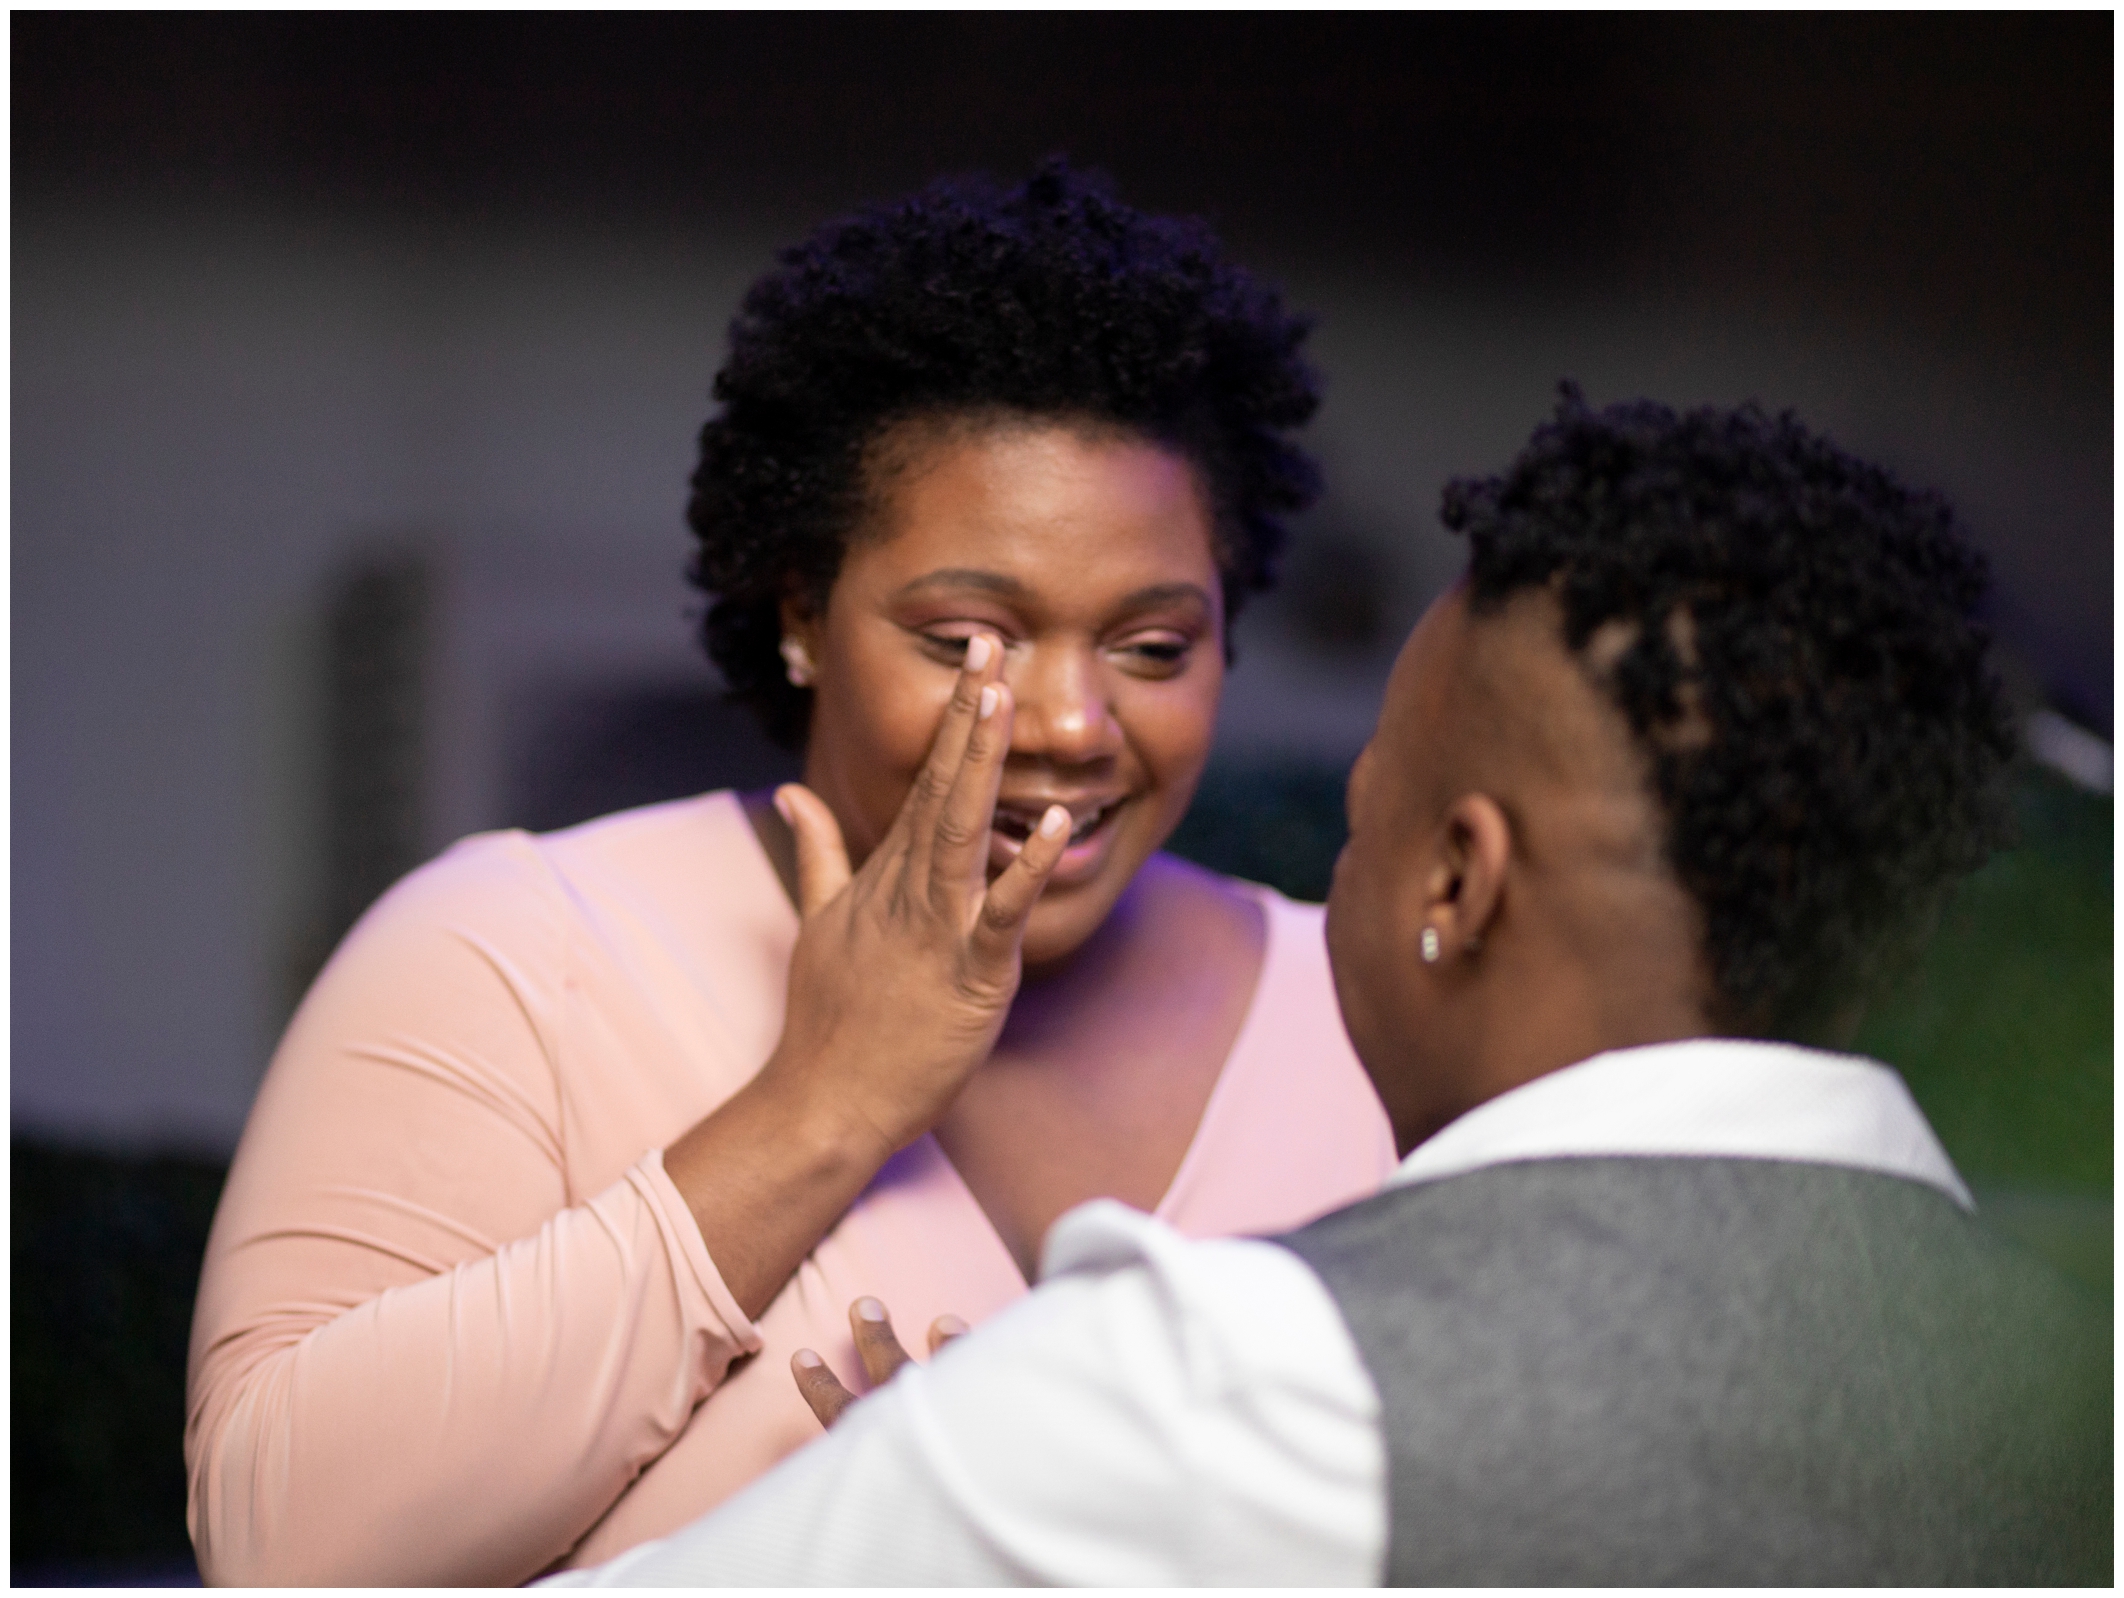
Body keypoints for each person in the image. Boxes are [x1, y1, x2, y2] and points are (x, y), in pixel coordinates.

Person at [555, 391, 2111, 1586]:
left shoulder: (1217, 1389)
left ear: (1455, 882)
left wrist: (965, 1466)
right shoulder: (2073, 1376)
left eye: (1365, 822)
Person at [183, 164, 1396, 1586]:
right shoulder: (515, 950)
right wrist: (825, 1101)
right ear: (804, 615)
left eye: (1152, 647)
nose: (1072, 726)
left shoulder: (1375, 1018)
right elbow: (281, 1548)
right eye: (969, 642)